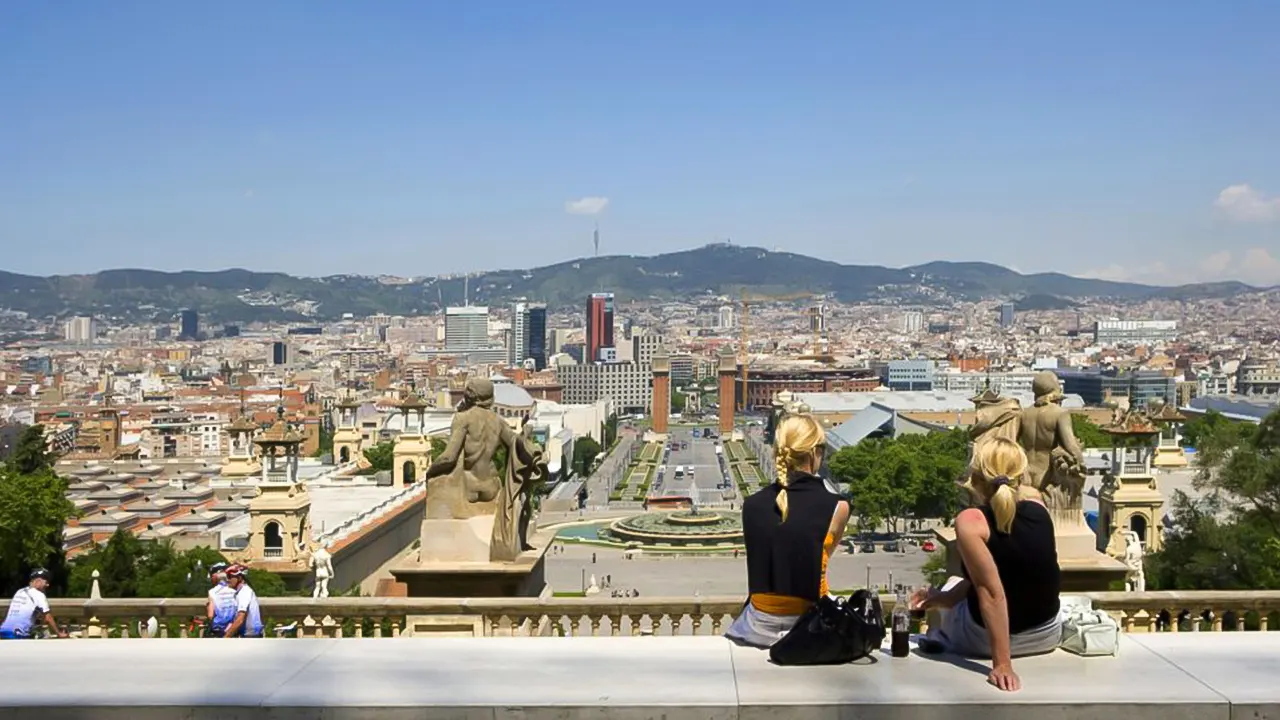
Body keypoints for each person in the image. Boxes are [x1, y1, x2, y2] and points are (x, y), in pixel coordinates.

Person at [911, 437, 1061, 692]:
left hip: (982, 641)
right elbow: (1018, 572)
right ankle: (943, 609)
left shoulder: (971, 521)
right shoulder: (1039, 508)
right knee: (958, 587)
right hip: (1046, 634)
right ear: (1021, 474)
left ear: (977, 478)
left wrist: (1002, 664)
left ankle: (936, 635)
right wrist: (944, 598)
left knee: (953, 581)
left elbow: (991, 593)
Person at [726, 413, 850, 648]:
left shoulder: (751, 505)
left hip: (755, 628)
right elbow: (819, 558)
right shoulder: (838, 507)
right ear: (815, 453)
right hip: (809, 627)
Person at [1, 568, 67, 639]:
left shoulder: (19, 591)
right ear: (38, 581)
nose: (47, 585)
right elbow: (48, 618)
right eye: (46, 582)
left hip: (3, 631)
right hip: (18, 634)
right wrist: (59, 633)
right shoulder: (39, 595)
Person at [222, 565, 264, 638]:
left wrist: (225, 637)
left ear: (239, 578)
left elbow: (240, 619)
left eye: (229, 576)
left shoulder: (244, 592)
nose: (227, 580)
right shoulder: (241, 592)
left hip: (251, 635)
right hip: (248, 634)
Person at [205, 562, 238, 638]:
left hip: (218, 630)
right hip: (232, 629)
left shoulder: (212, 592)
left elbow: (210, 615)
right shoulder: (234, 590)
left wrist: (207, 606)